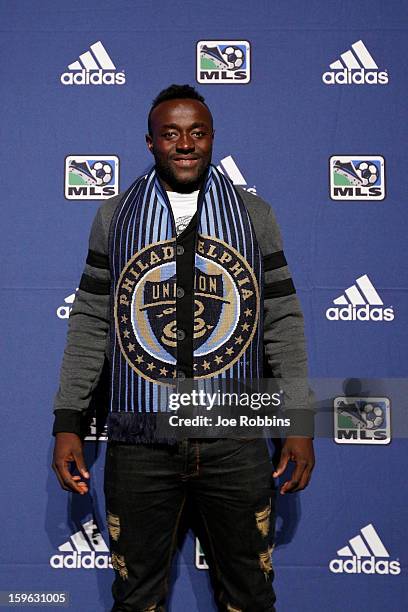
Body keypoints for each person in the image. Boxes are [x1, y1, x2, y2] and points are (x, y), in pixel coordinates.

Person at [52, 84, 315, 612]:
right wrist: (67, 423)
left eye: (197, 132)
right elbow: (88, 325)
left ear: (212, 138)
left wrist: (300, 422)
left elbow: (281, 321)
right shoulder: (115, 216)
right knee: (137, 599)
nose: (185, 143)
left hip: (236, 434)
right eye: (171, 134)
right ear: (150, 143)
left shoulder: (254, 215)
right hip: (139, 437)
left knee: (251, 598)